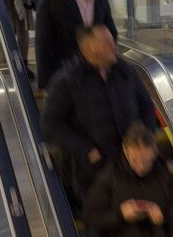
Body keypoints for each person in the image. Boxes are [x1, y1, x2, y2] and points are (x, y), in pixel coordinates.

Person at [43, 25, 157, 196]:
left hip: (133, 165)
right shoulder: (68, 80)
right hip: (95, 172)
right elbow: (51, 124)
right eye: (108, 43)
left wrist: (146, 137)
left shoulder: (125, 71)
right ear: (91, 48)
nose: (114, 46)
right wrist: (86, 150)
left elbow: (146, 105)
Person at [36, 0, 118, 89]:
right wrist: (45, 85)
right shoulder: (51, 1)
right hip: (67, 79)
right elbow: (43, 46)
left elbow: (111, 31)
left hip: (98, 77)